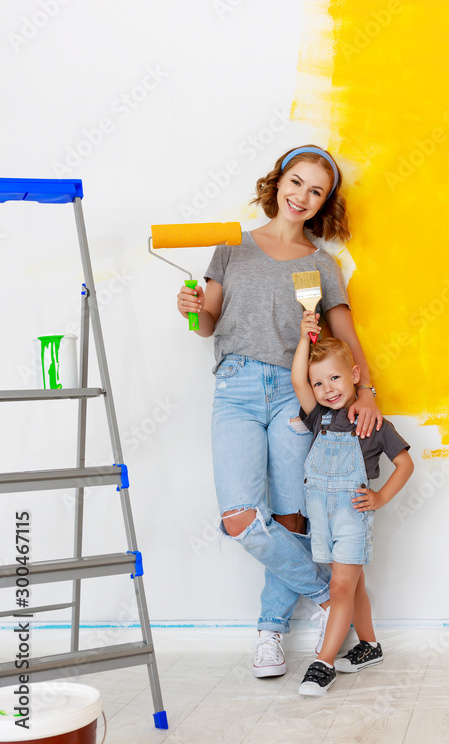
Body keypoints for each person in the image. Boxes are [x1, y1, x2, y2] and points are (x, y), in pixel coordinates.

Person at [175, 145, 383, 678]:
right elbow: (208, 325)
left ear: (324, 202)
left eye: (316, 190)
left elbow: (346, 335)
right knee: (240, 516)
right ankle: (326, 594)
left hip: (298, 395)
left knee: (293, 517)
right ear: (277, 182)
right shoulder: (231, 247)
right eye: (296, 182)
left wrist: (367, 392)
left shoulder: (322, 264)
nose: (302, 196)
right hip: (237, 386)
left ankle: (270, 630)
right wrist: (193, 310)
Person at [290, 317, 413, 695]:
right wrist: (302, 337)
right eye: (319, 383)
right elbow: (297, 379)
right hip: (322, 520)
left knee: (341, 587)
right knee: (353, 584)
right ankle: (370, 646)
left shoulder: (373, 423)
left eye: (336, 379)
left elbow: (406, 464)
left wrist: (380, 497)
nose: (327, 389)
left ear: (355, 375)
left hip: (352, 520)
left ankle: (322, 663)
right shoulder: (318, 419)